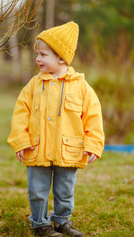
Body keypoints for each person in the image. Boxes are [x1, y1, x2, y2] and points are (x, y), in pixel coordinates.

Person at [7, 21, 105, 237]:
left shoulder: (81, 87)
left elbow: (93, 117)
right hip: (37, 148)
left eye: (43, 54)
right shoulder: (33, 85)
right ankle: (40, 224)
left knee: (65, 191)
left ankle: (61, 221)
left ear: (61, 57)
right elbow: (20, 114)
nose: (37, 59)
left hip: (68, 150)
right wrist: (21, 142)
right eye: (37, 54)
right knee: (37, 191)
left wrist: (93, 144)